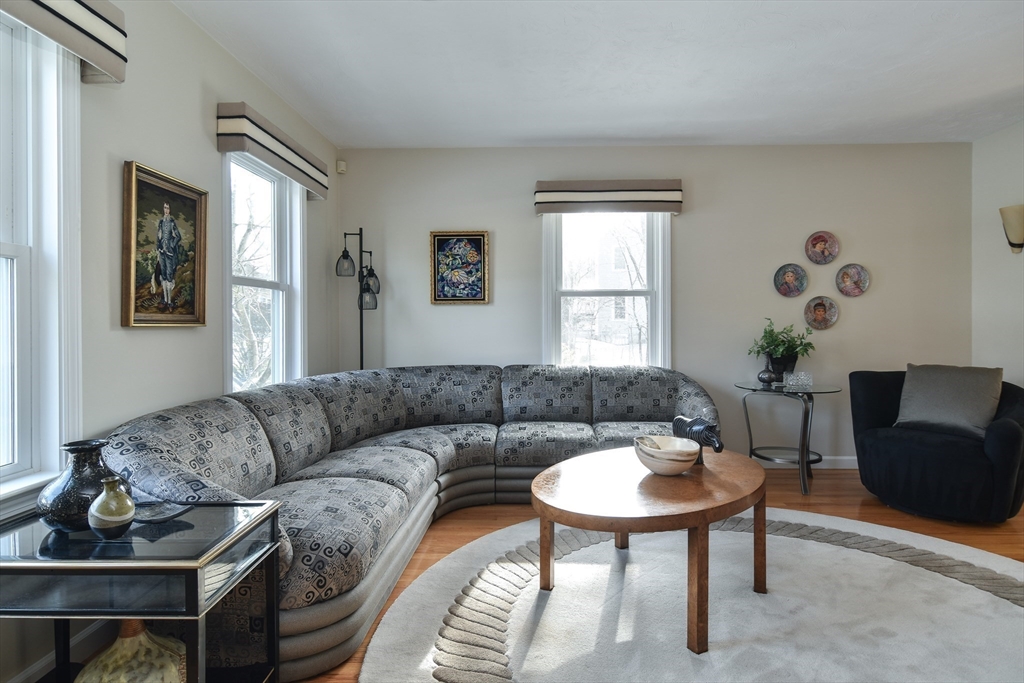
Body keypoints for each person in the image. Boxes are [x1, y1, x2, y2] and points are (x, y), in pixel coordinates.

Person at [156, 202, 182, 310]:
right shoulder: (161, 222)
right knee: (164, 275)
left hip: (170, 252)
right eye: (164, 208)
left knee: (169, 275)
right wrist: (159, 247)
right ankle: (165, 300)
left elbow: (178, 236)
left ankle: (170, 301)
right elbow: (159, 236)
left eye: (167, 208)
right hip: (162, 251)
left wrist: (171, 244)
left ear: (170, 210)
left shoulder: (172, 222)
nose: (166, 210)